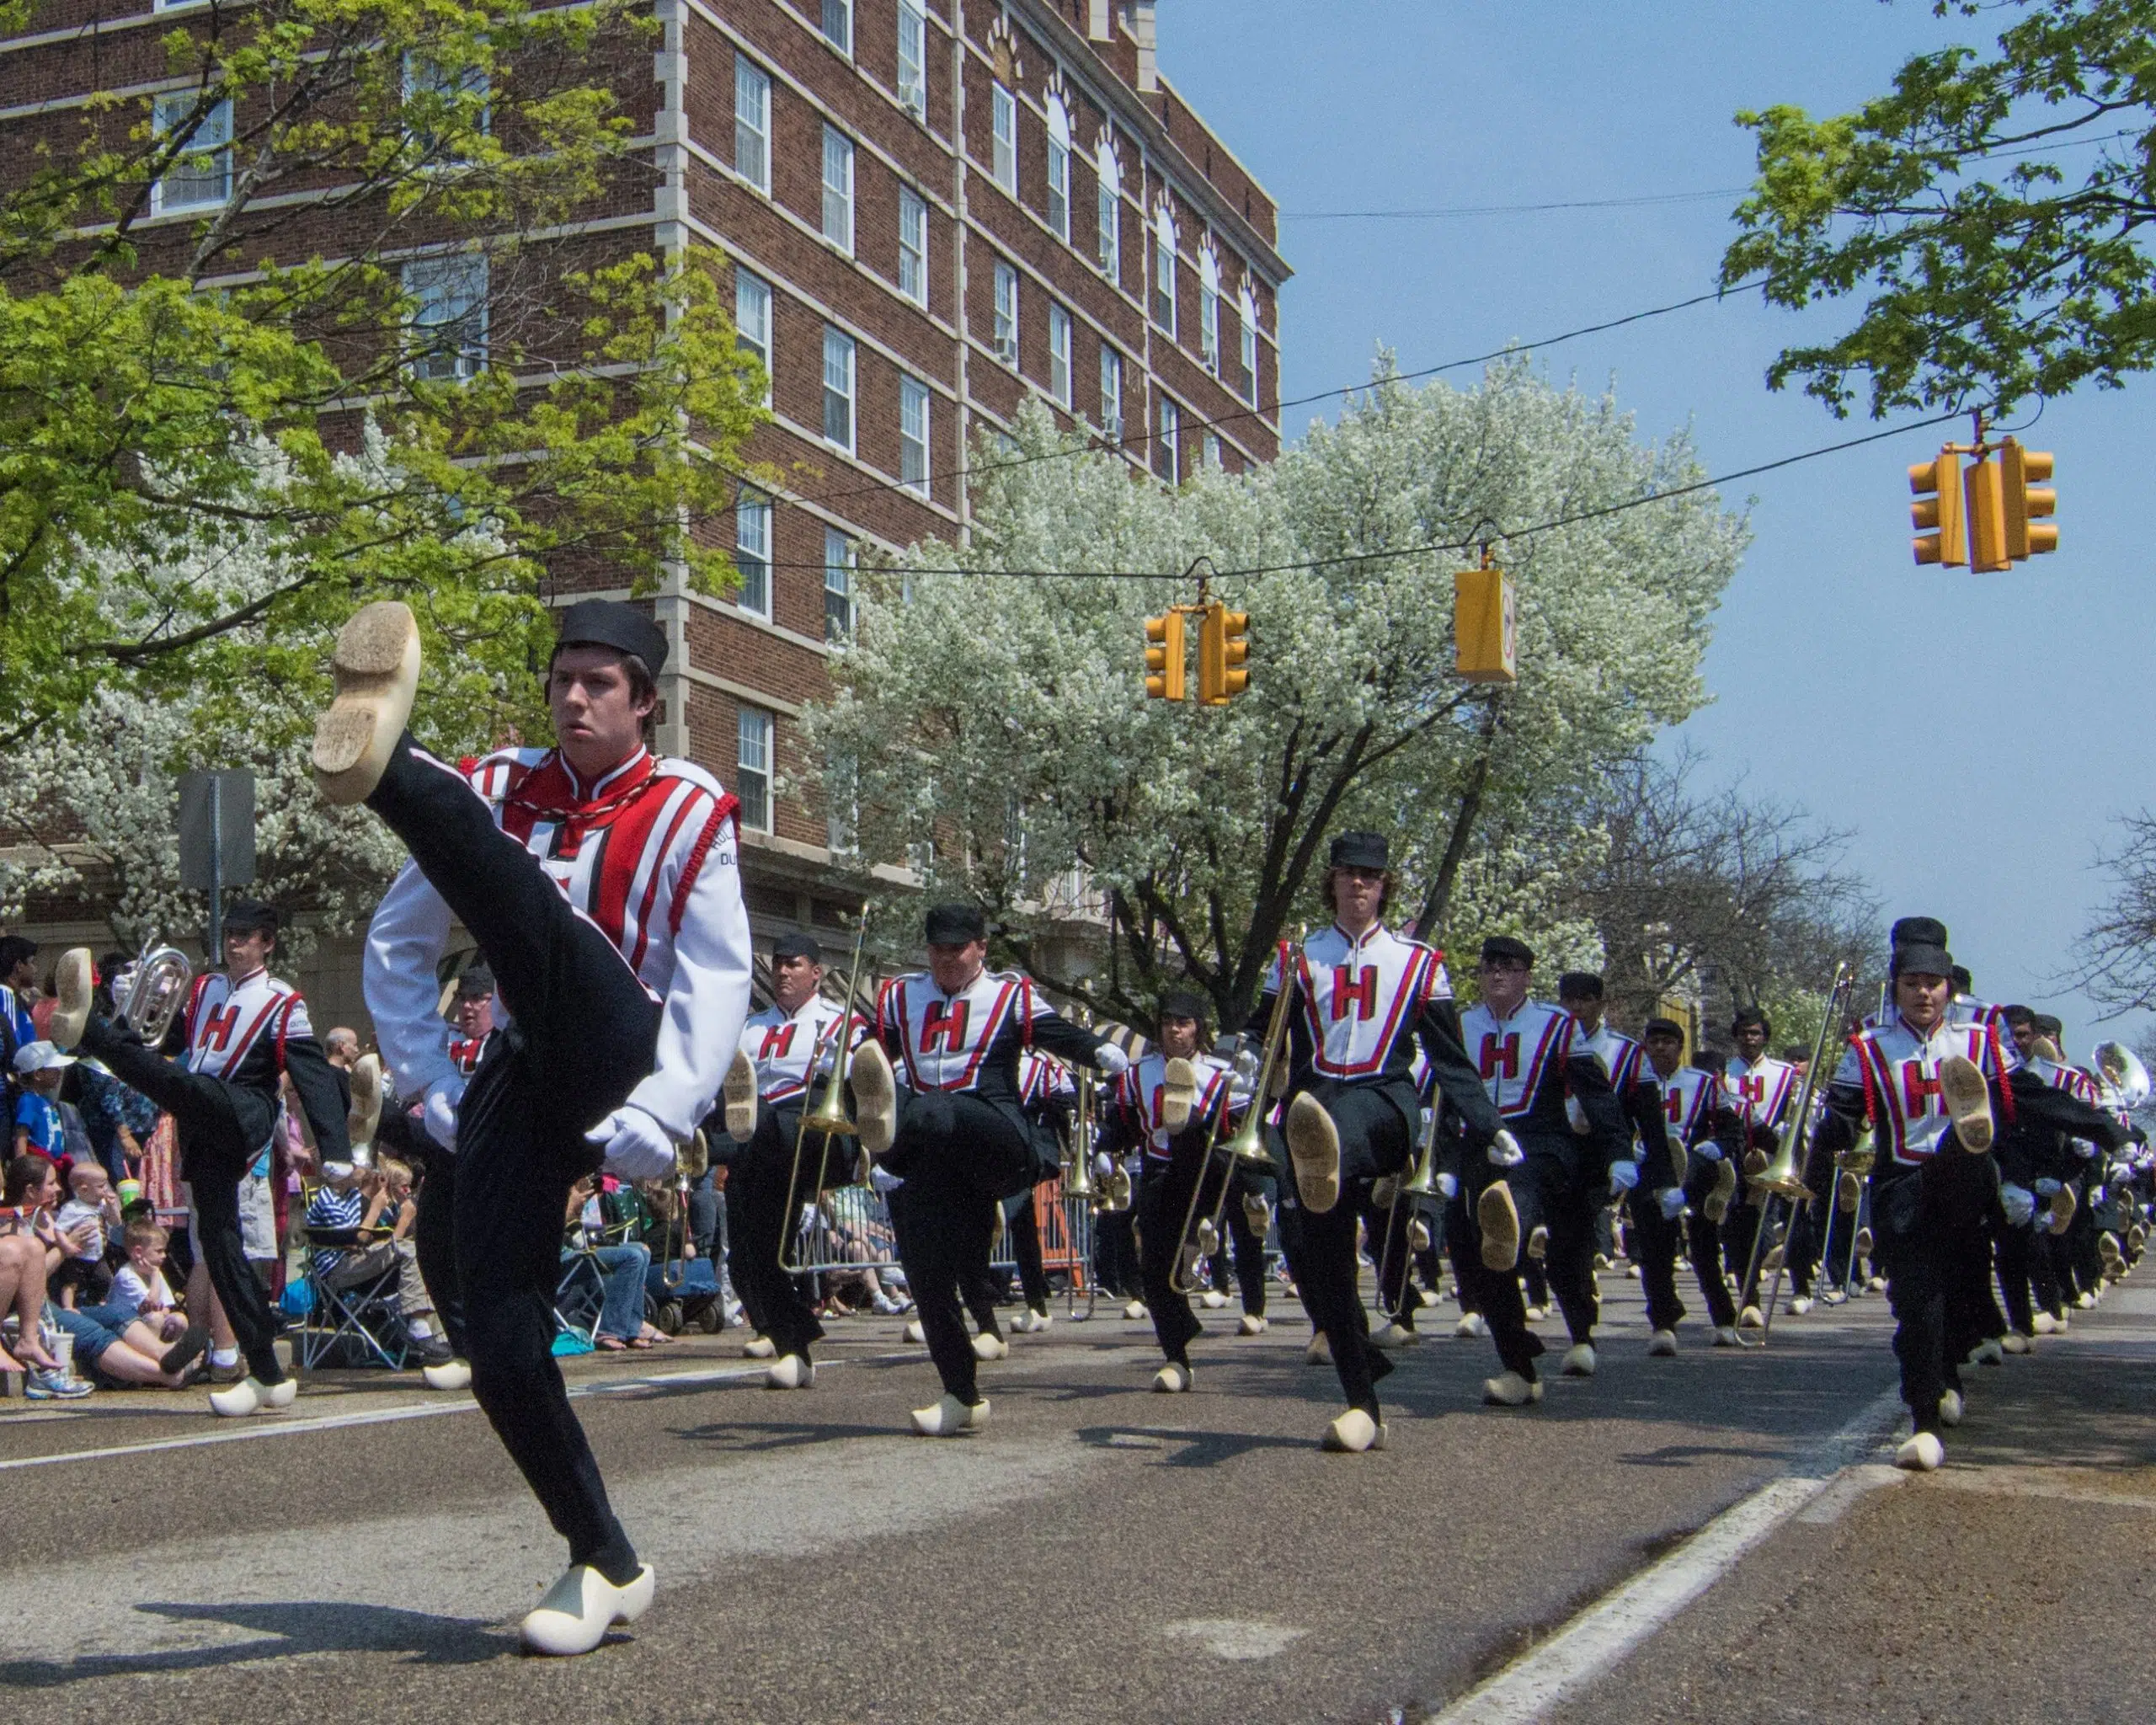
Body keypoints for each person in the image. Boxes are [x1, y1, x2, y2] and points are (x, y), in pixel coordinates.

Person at [333, 596, 752, 1655]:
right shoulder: (503, 785)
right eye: (561, 678)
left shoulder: (691, 804)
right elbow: (397, 939)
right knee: (496, 1325)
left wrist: (670, 1105)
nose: (571, 697)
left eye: (597, 682)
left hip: (624, 1042)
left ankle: (390, 769)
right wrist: (428, 1086)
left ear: (646, 701)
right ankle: (605, 1556)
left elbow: (715, 976)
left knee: (535, 917)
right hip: (521, 1064)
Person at [1806, 930, 2127, 1471]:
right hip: (1901, 1189)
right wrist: (1809, 1186)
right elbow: (1839, 1121)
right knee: (1918, 1307)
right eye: (1912, 984)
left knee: (1961, 1257)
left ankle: (1969, 1134)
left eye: (1933, 984)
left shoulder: (1980, 1042)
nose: (1923, 994)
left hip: (1962, 1190)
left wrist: (2106, 1129)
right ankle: (1925, 1421)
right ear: (1896, 988)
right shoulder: (1867, 1048)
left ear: (1949, 989)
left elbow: (2033, 1097)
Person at [49, 902, 351, 1418]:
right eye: (230, 935)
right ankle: (266, 1372)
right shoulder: (207, 988)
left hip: (244, 1108)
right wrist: (136, 1007)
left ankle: (90, 1029)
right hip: (202, 1115)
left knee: (182, 1086)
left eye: (246, 937)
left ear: (267, 943)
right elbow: (168, 1042)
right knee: (219, 1244)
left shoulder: (285, 1002)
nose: (234, 944)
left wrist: (336, 1149)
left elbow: (313, 1076)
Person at [1257, 832, 1508, 1449]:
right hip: (1312, 1102)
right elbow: (1261, 1044)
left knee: (1338, 1124)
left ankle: (1332, 1158)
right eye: (1347, 874)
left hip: (1385, 1100)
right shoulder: (1295, 957)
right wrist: (1246, 1105)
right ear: (1333, 882)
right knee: (1318, 1262)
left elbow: (1450, 1060)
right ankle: (1362, 1400)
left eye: (1370, 876)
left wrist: (1490, 1124)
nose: (1358, 885)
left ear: (1385, 885)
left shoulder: (1421, 963)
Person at [851, 901, 1127, 1437]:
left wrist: (1105, 1054)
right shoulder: (900, 996)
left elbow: (1061, 1036)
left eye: (957, 948)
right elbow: (868, 1062)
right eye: (937, 949)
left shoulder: (1009, 994)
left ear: (981, 948)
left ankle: (896, 1144)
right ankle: (962, 1393)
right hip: (937, 1158)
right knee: (928, 1271)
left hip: (995, 1132)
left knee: (935, 1105)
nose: (946, 959)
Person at [1454, 937, 1626, 1407]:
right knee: (1484, 1256)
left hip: (1543, 1142)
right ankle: (1519, 1369)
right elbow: (1440, 1088)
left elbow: (1594, 1090)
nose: (1497, 975)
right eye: (1489, 966)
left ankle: (1578, 1333)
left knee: (1527, 1212)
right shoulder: (1461, 1024)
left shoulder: (1556, 1024)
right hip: (1481, 1143)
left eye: (1509, 968)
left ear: (1528, 975)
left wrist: (1619, 1151)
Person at [720, 931, 868, 1388]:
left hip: (817, 1137)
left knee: (764, 1121)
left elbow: (871, 1078)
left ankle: (716, 1147)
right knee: (747, 1256)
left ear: (817, 973)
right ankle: (793, 1345)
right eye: (779, 963)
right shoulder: (751, 1026)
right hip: (761, 1147)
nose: (783, 971)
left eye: (795, 964)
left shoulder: (840, 1022)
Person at [1105, 990, 1245, 1392]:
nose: (1174, 1030)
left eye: (1183, 1023)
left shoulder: (1221, 1075)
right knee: (1154, 1267)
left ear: (1198, 1028)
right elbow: (1127, 1124)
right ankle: (1176, 1357)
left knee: (1197, 1136)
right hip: (1157, 1170)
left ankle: (1200, 1231)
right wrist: (1103, 1149)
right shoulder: (1137, 1073)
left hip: (1205, 1169)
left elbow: (1235, 1136)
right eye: (1167, 1022)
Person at [1557, 975, 1683, 1355]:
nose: (1576, 1008)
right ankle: (1581, 1334)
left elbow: (1650, 1120)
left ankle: (1663, 1319)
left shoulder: (1628, 1052)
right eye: (1569, 1000)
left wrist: (1665, 1178)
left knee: (1654, 1232)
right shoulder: (1550, 1043)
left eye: (1585, 1000)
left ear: (1600, 1003)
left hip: (1626, 1153)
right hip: (1574, 1153)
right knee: (1573, 1242)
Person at [1640, 1019, 1745, 1348]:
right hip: (1649, 1173)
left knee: (1704, 1251)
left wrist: (1718, 1148)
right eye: (1654, 1041)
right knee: (1654, 1253)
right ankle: (1663, 1324)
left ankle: (1725, 1320)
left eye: (1668, 1041)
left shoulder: (1705, 1083)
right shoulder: (1633, 1082)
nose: (1661, 1047)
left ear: (1680, 1047)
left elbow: (1732, 1129)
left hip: (1695, 1174)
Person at [304, 1160, 451, 1365]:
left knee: (428, 1254)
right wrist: (380, 1211)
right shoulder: (327, 1199)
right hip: (340, 1271)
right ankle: (418, 1327)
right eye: (356, 1167)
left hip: (361, 1265)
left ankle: (441, 1338)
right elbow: (354, 1243)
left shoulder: (352, 1198)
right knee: (409, 1250)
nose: (361, 1171)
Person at [1721, 1009, 1799, 1326]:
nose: (1750, 1038)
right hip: (1735, 1155)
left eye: (1755, 1033)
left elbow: (1796, 1116)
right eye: (1744, 1033)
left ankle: (1768, 1259)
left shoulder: (1785, 1073)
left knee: (1763, 1225)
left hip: (1771, 1153)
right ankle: (1748, 1296)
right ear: (1736, 1036)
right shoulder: (1724, 1073)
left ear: (1765, 1037)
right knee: (1738, 1226)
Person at [51, 1158, 119, 1308]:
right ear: (83, 1189)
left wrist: (112, 1207)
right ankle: (68, 1306)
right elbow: (59, 1229)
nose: (106, 1190)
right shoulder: (73, 1209)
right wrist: (67, 1246)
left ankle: (94, 1301)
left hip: (98, 1254)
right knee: (71, 1282)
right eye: (101, 1186)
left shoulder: (101, 1205)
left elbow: (116, 1222)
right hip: (78, 1255)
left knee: (104, 1279)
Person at [12, 1039, 71, 1161]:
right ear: (38, 1075)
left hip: (53, 1163)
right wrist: (22, 1166)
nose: (59, 1073)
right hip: (39, 1164)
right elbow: (22, 1135)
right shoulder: (28, 1101)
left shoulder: (46, 1101)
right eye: (54, 1069)